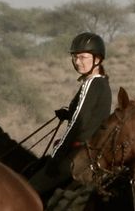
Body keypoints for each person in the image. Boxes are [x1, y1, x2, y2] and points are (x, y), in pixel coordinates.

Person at [28, 32, 111, 198]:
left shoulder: (92, 84)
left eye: (83, 57)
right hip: (89, 153)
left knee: (29, 190)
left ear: (97, 59)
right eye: (75, 57)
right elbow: (88, 116)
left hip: (78, 153)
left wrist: (56, 156)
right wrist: (67, 114)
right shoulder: (101, 83)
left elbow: (77, 123)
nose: (77, 62)